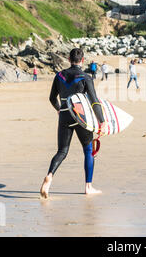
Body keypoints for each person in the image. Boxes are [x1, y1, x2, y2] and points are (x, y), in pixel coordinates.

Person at [40, 48, 107, 198]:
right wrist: (101, 121)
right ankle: (88, 187)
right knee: (88, 150)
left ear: (69, 59)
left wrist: (59, 110)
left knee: (62, 151)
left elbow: (52, 98)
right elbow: (94, 101)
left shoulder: (59, 76)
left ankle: (49, 176)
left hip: (64, 114)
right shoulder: (85, 77)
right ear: (82, 60)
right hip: (81, 116)